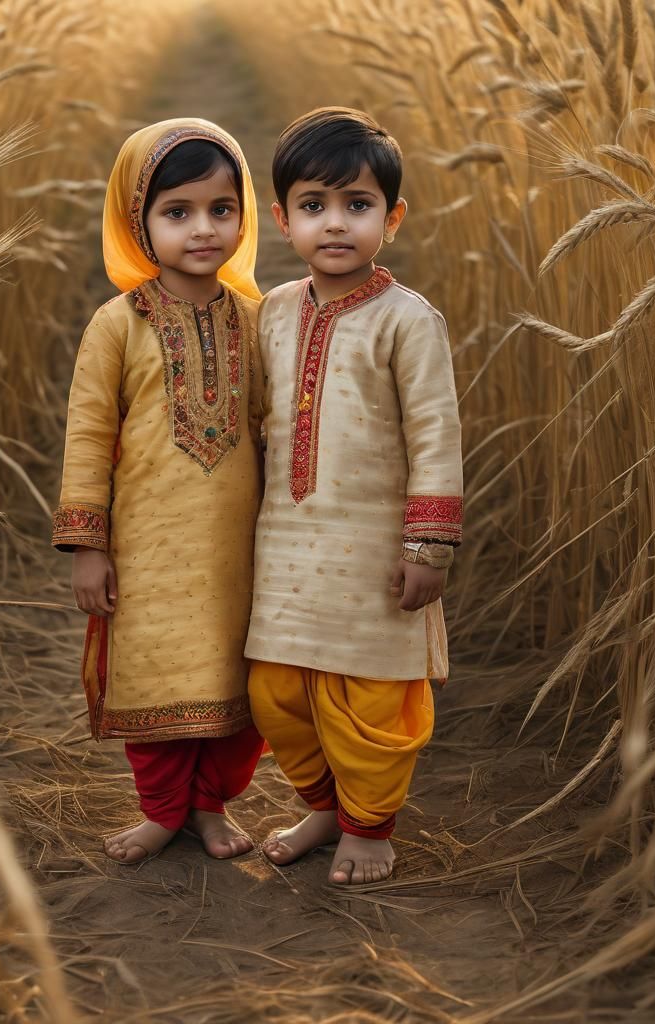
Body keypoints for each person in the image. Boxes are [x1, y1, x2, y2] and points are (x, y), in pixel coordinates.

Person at [246, 107, 464, 885]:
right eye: (313, 206)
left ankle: (370, 828)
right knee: (278, 695)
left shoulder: (409, 322)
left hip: (374, 557)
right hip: (287, 555)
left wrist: (428, 546)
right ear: (282, 218)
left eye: (358, 205)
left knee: (372, 701)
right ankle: (323, 807)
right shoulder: (273, 312)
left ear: (392, 217)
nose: (334, 224)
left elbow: (437, 436)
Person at [53, 118, 265, 864]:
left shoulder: (259, 319)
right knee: (156, 675)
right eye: (177, 213)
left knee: (241, 685)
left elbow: (276, 428)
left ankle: (210, 807)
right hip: (147, 553)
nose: (203, 229)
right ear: (135, 222)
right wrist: (88, 545)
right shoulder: (116, 326)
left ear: (245, 215)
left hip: (240, 551)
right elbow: (86, 437)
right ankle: (163, 809)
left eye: (221, 208)